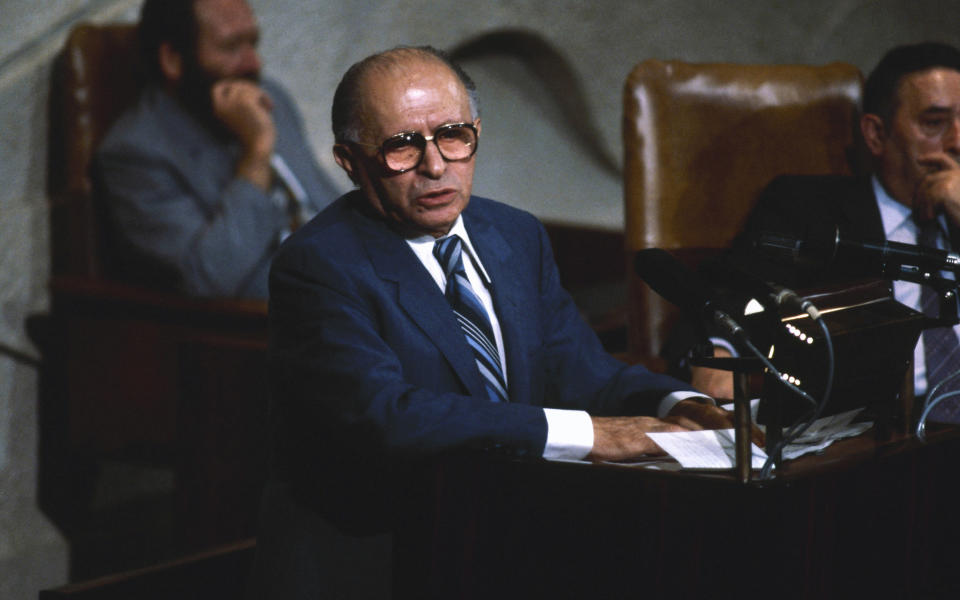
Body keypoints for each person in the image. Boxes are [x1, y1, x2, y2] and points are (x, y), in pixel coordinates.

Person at [251, 45, 740, 598]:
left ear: (476, 131)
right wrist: (594, 435)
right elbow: (387, 415)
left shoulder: (514, 235)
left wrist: (681, 406)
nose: (435, 166)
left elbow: (583, 372)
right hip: (379, 557)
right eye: (401, 147)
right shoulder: (319, 264)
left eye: (453, 135)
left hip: (504, 540)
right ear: (349, 160)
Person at [684, 42, 960, 417]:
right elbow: (731, 301)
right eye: (934, 123)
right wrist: (724, 353)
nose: (957, 141)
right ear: (876, 134)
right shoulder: (808, 208)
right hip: (883, 430)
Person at [94, 0, 338, 298]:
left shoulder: (270, 97)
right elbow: (208, 278)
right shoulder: (136, 154)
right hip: (285, 318)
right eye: (231, 46)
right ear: (172, 59)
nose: (253, 63)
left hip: (354, 277)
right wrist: (257, 154)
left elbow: (322, 201)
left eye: (253, 43)